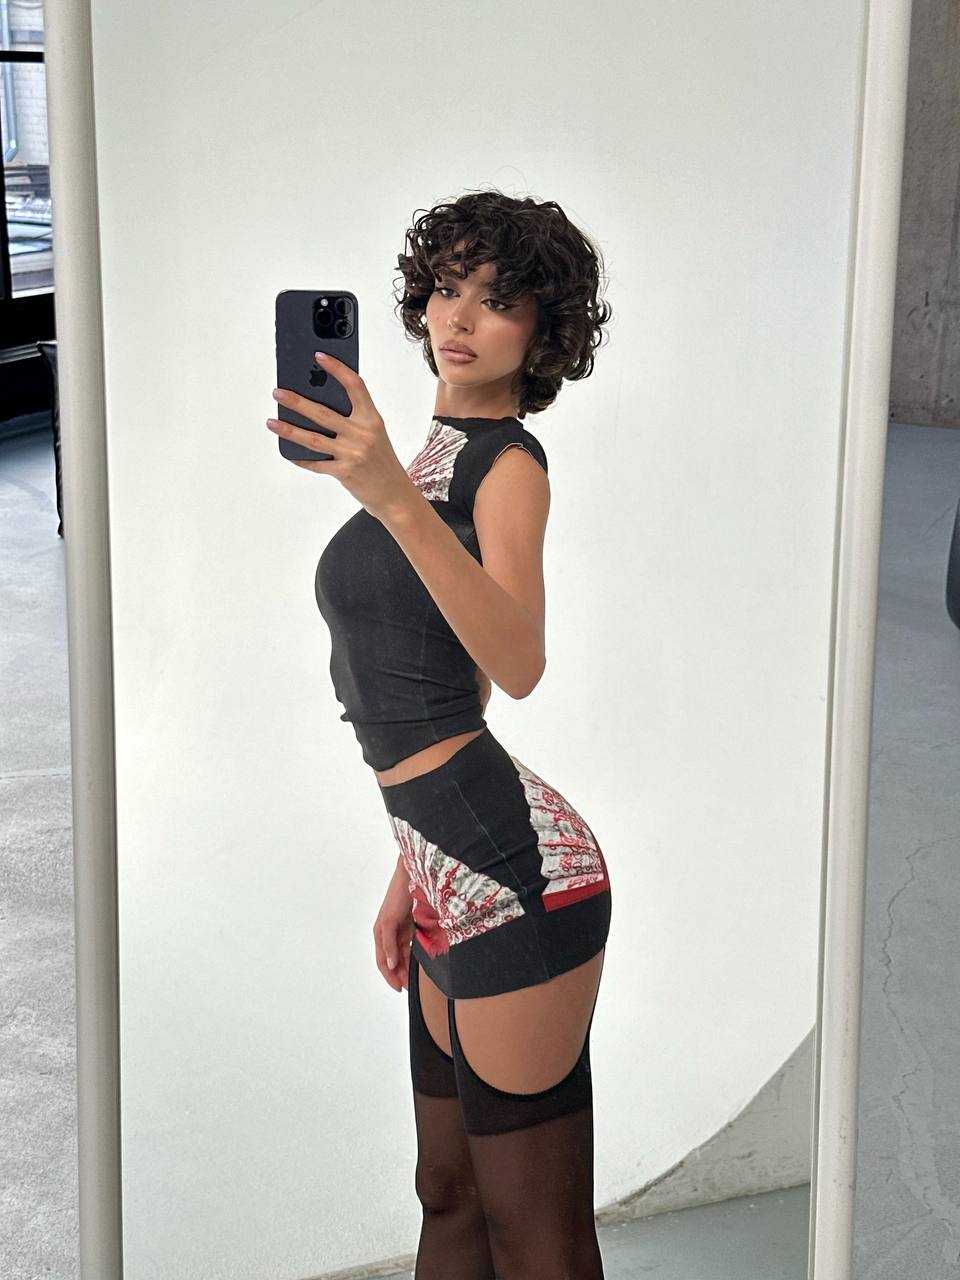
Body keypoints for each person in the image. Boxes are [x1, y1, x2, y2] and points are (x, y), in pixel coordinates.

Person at [267, 189, 614, 1278]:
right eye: (448, 286)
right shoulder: (425, 458)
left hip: (518, 873)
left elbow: (518, 661)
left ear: (543, 333)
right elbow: (438, 686)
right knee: (447, 1191)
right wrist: (405, 867)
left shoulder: (507, 465)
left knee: (534, 1231)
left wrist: (390, 501)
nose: (459, 316)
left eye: (498, 298)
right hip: (441, 859)